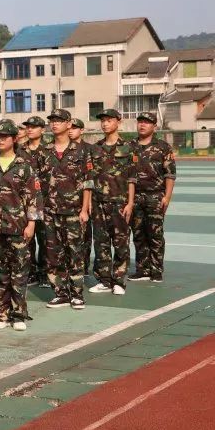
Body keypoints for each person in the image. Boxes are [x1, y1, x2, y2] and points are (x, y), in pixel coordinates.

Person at [0, 120, 40, 331]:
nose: (0, 140)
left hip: (18, 227)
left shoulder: (24, 166)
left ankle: (19, 313)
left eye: (5, 136)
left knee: (19, 272)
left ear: (14, 138)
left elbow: (34, 196)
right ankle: (1, 313)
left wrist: (31, 224)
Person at [40, 109, 93, 310]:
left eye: (59, 121)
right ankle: (60, 293)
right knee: (53, 253)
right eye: (52, 121)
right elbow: (37, 183)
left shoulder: (81, 151)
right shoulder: (44, 152)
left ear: (69, 124)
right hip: (50, 211)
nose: (54, 124)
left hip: (73, 210)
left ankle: (77, 293)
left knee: (75, 252)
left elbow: (88, 182)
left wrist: (85, 209)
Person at [88, 109, 136, 295]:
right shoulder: (96, 148)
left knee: (121, 242)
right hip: (99, 202)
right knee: (100, 243)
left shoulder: (128, 148)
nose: (105, 124)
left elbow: (132, 178)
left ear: (118, 122)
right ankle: (104, 280)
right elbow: (90, 177)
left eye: (109, 120)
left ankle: (119, 280)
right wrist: (90, 201)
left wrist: (130, 203)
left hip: (120, 202)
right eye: (103, 121)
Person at [129, 112, 176, 283]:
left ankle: (156, 270)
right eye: (140, 122)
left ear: (154, 126)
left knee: (155, 235)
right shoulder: (130, 145)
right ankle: (142, 269)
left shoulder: (163, 147)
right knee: (138, 234)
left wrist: (167, 197)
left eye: (147, 123)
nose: (142, 125)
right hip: (135, 198)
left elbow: (170, 175)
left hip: (155, 196)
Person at [18, 116, 49, 286]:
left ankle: (44, 273)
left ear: (42, 130)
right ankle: (30, 273)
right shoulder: (20, 151)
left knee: (45, 239)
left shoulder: (48, 150)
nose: (30, 129)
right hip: (25, 203)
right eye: (28, 126)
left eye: (34, 127)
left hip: (44, 202)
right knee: (27, 239)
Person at [69, 118, 102, 273]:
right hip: (68, 199)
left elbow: (93, 175)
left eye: (75, 128)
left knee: (85, 235)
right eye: (70, 127)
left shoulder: (90, 149)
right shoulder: (62, 148)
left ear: (81, 130)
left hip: (87, 198)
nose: (71, 130)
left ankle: (84, 266)